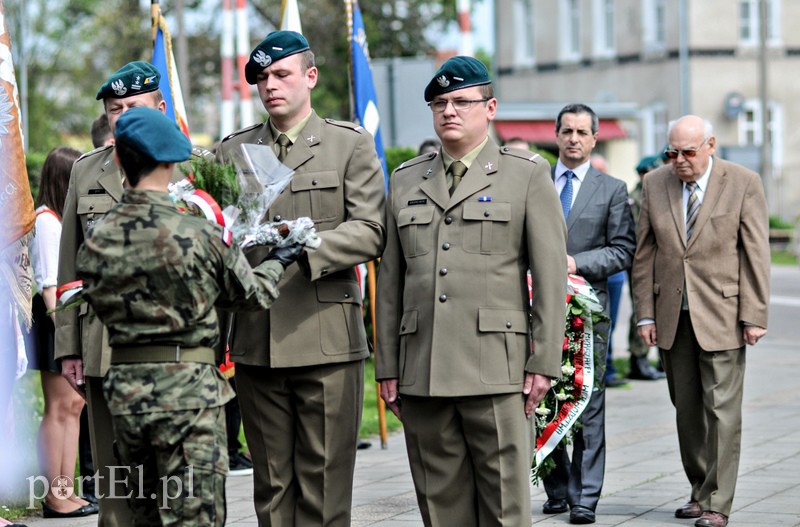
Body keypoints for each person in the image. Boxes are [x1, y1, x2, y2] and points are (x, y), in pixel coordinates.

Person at [75, 106, 303, 525]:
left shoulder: (98, 238)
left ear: (121, 159)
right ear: (171, 161)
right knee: (194, 517)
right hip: (189, 397)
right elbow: (249, 296)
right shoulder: (200, 233)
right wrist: (279, 260)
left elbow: (94, 297)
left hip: (126, 396)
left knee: (138, 514)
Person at [376, 56, 567, 527]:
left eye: (462, 101)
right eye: (439, 103)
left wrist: (543, 362)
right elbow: (390, 283)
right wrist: (387, 367)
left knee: (505, 507)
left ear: (491, 107)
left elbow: (549, 278)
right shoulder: (405, 180)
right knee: (440, 509)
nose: (449, 111)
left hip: (497, 371)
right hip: (424, 370)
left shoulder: (525, 174)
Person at [216, 30, 385, 526]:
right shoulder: (235, 151)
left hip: (324, 334)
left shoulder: (347, 144)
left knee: (325, 482)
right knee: (271, 485)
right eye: (262, 77)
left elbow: (371, 229)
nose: (271, 85)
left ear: (310, 77)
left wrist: (307, 246)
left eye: (282, 74)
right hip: (257, 334)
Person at [55, 61, 215, 526]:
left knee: (186, 493)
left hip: (182, 354)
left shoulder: (193, 167)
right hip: (106, 350)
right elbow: (70, 268)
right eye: (114, 109)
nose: (121, 117)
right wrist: (69, 347)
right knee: (119, 492)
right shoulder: (87, 173)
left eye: (133, 107)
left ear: (160, 108)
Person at [632, 115, 769, 527]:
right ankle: (698, 488)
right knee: (686, 410)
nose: (679, 160)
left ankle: (717, 503)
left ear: (710, 145)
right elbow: (644, 255)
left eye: (688, 152)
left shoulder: (743, 182)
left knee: (723, 412)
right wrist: (644, 314)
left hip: (724, 314)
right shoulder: (655, 183)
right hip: (673, 316)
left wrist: (755, 314)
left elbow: (755, 253)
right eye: (671, 152)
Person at [542, 103, 636, 524]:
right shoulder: (535, 180)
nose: (574, 139)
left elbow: (623, 249)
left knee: (587, 403)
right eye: (567, 131)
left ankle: (585, 497)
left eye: (582, 132)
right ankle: (558, 488)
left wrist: (575, 264)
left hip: (586, 312)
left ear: (595, 138)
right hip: (535, 311)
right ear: (556, 135)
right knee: (542, 398)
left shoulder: (611, 189)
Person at [24, 147, 99, 519]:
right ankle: (55, 495)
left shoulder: (57, 219)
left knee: (74, 406)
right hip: (54, 318)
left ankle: (66, 491)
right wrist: (68, 336)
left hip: (65, 318)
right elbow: (50, 287)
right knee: (59, 408)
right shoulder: (46, 221)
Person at [625, 155, 666, 380]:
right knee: (641, 312)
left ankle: (661, 359)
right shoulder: (635, 198)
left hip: (661, 263)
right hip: (640, 264)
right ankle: (638, 360)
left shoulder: (659, 193)